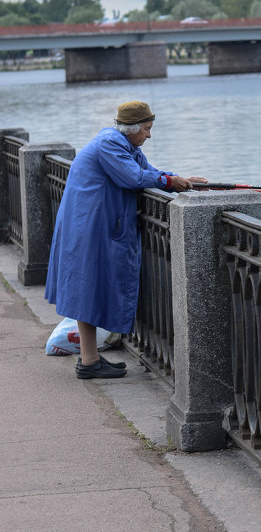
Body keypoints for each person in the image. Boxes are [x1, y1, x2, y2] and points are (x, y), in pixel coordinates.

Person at [45, 101, 207, 379]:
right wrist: (170, 183)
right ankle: (89, 361)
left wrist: (178, 178)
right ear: (131, 128)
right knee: (88, 288)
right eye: (146, 129)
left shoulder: (126, 145)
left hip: (93, 221)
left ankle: (90, 359)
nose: (149, 135)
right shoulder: (110, 144)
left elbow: (150, 170)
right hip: (88, 224)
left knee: (90, 288)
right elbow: (132, 177)